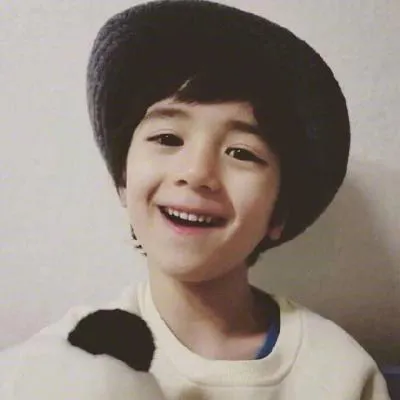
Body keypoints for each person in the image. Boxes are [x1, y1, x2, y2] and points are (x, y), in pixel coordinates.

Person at [0, 0, 391, 398]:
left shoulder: (339, 372)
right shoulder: (64, 363)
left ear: (279, 212)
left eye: (242, 152)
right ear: (123, 180)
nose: (197, 173)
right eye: (168, 138)